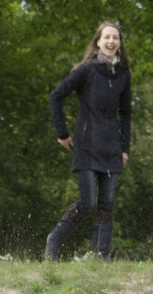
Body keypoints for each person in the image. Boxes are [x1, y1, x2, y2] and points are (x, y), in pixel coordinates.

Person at [46, 21, 132, 262]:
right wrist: (62, 133)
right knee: (87, 203)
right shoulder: (86, 70)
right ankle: (54, 240)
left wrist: (124, 148)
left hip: (112, 148)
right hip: (87, 145)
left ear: (119, 44)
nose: (112, 41)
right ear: (98, 41)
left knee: (106, 205)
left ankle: (100, 259)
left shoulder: (123, 75)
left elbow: (125, 113)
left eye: (116, 38)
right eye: (107, 37)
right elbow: (56, 96)